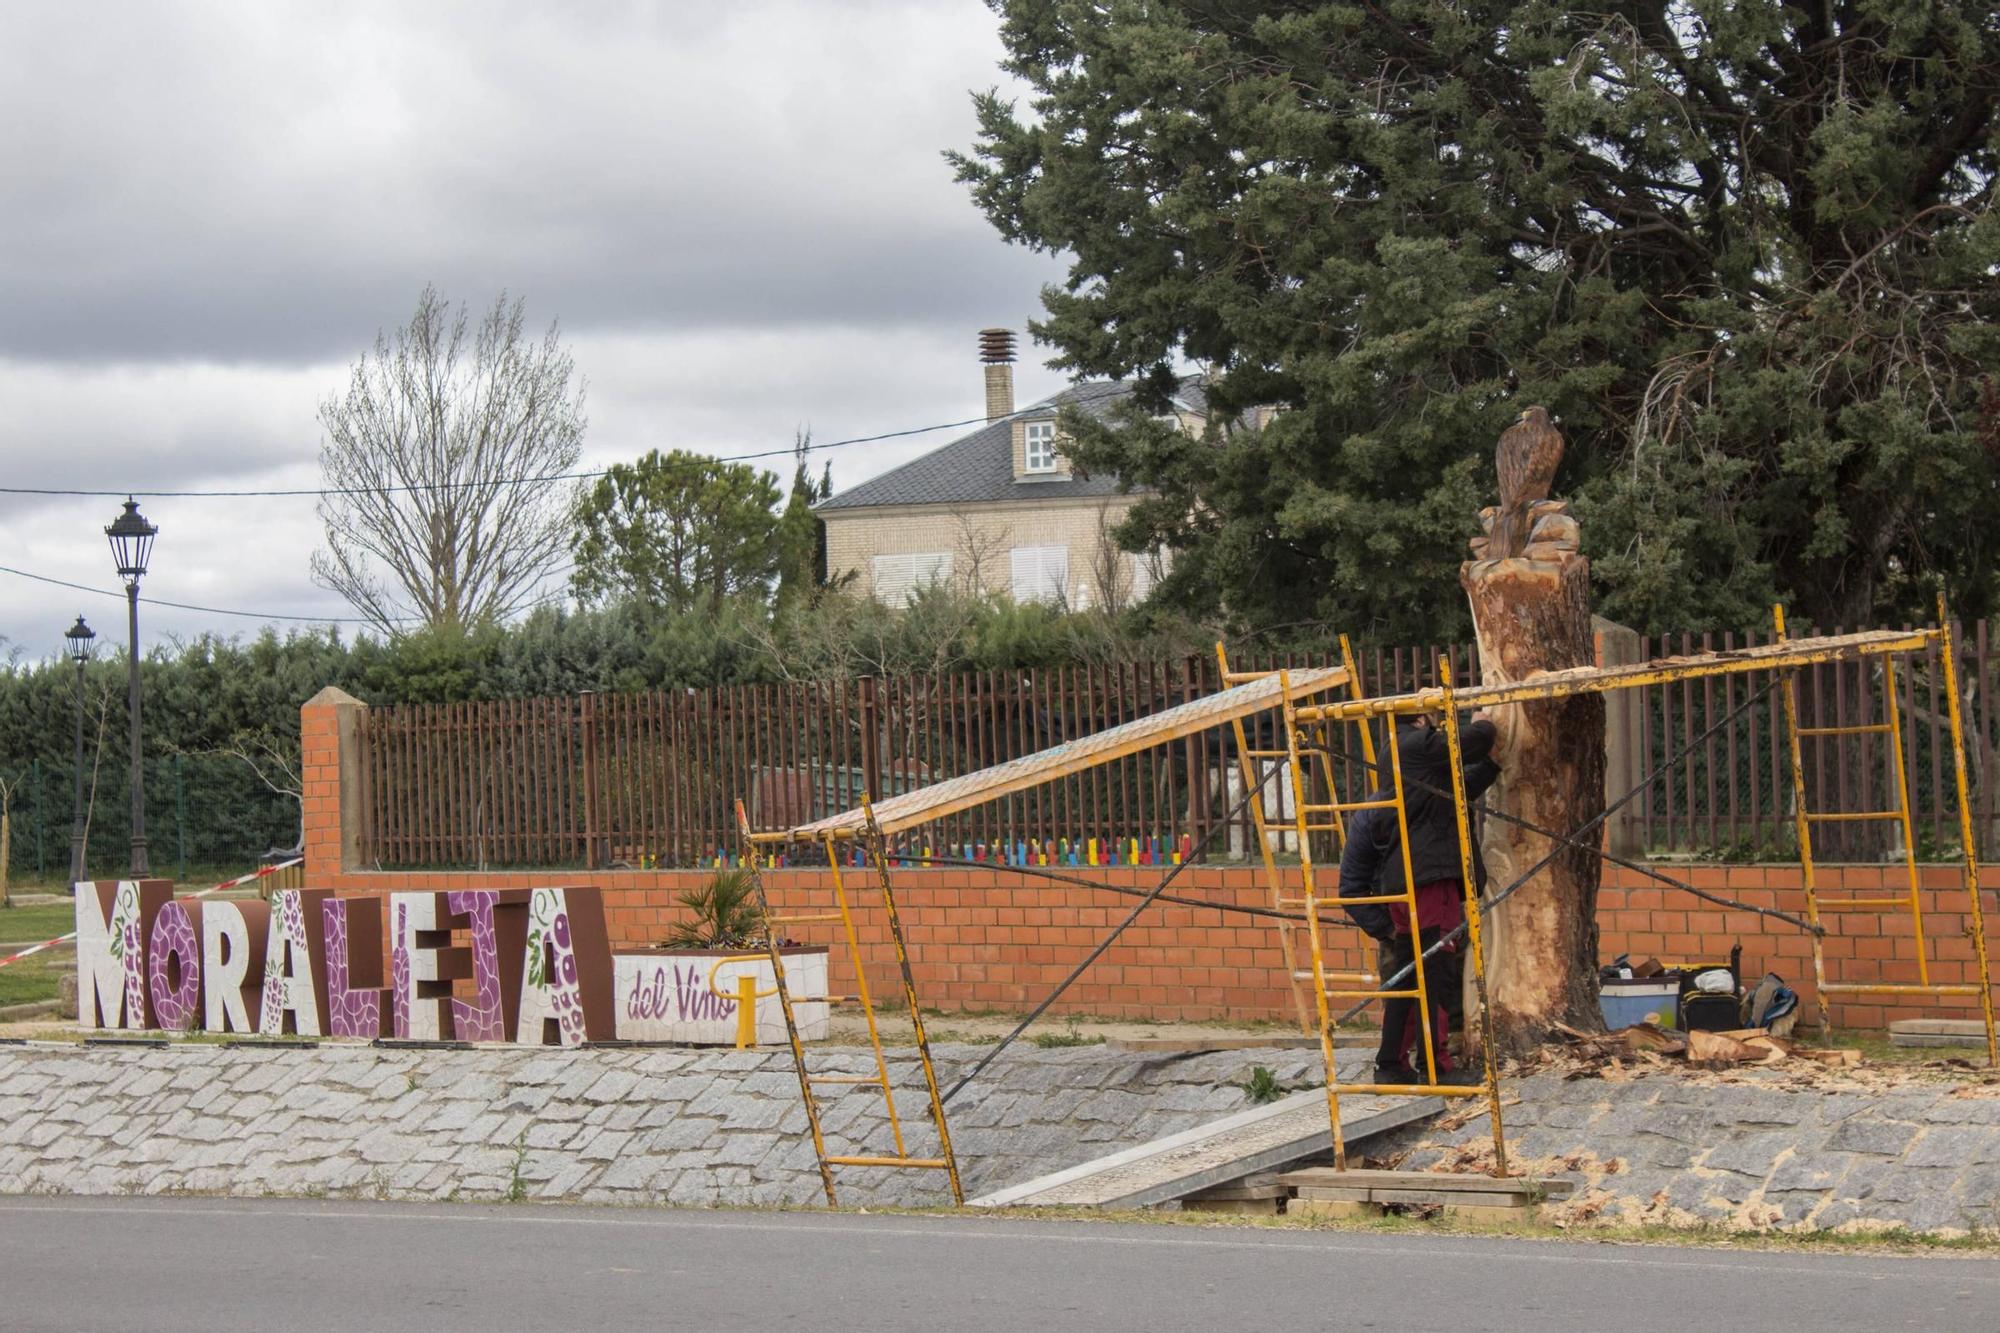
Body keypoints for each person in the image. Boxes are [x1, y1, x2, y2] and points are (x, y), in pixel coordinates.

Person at [1336, 711, 1500, 1085]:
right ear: (1423, 718)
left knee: (1408, 978)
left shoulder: (1404, 766)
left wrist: (1491, 767)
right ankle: (1435, 1065)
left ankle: (1392, 1064)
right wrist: (1487, 723)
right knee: (1434, 976)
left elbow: (1456, 790)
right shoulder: (1412, 744)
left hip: (1408, 883)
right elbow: (1469, 742)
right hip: (1426, 881)